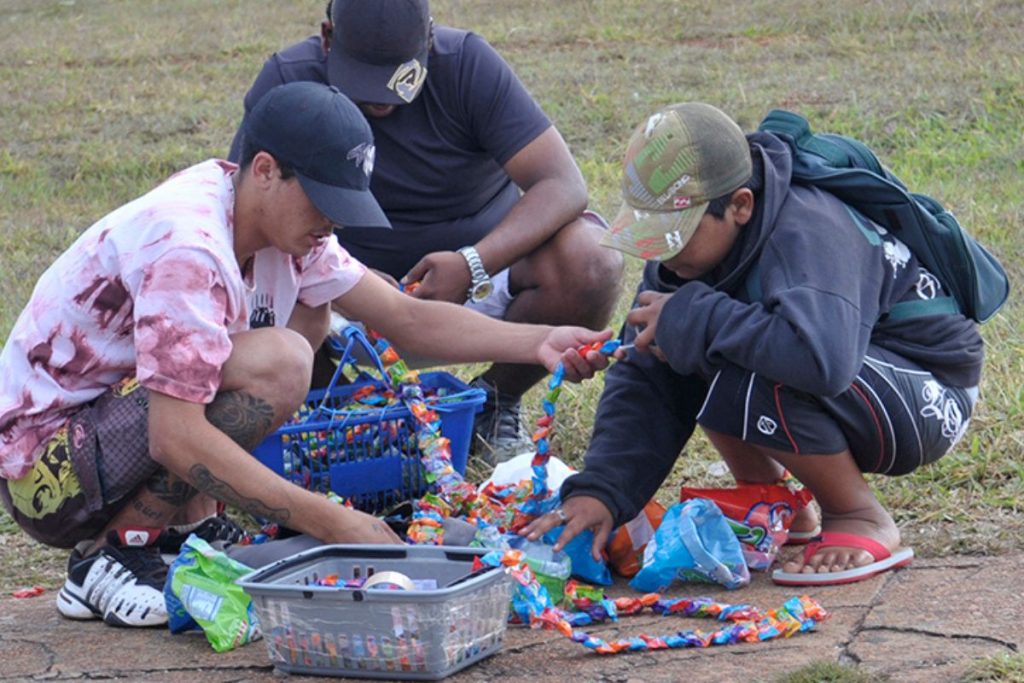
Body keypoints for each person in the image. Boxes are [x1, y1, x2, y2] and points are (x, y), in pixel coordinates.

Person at [0, 81, 613, 629]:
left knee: (302, 322)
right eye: (322, 199)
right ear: (264, 170)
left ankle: (178, 531)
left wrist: (537, 340)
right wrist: (331, 522)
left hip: (104, 439)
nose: (330, 222)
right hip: (46, 478)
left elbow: (406, 319)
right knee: (280, 360)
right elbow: (173, 436)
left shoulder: (282, 230)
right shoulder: (188, 246)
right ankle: (110, 556)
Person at [522, 102, 984, 586]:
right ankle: (778, 504)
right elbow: (645, 375)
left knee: (721, 342)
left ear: (740, 205)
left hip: (924, 393)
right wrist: (603, 492)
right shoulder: (684, 258)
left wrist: (694, 319)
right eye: (652, 235)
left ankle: (857, 514)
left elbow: (822, 361)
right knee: (689, 341)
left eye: (675, 235)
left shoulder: (810, 229)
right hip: (857, 378)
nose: (663, 252)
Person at [228, 0, 624, 464]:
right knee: (286, 294)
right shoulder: (288, 82)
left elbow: (564, 183)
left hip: (472, 276)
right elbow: (248, 214)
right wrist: (343, 278)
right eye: (361, 77)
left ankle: (493, 405)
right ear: (327, 37)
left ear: (430, 40)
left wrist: (473, 262)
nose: (379, 99)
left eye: (396, 77)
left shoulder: (467, 64)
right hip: (338, 288)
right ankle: (334, 422)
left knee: (592, 259)